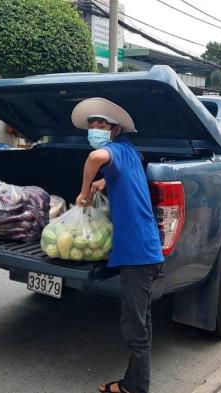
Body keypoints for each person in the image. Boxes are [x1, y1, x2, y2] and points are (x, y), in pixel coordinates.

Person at [71, 98, 164, 393]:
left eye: (101, 126)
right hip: (146, 249)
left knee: (134, 328)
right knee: (142, 322)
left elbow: (94, 159)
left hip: (138, 254)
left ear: (116, 129)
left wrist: (84, 192)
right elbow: (123, 174)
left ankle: (135, 388)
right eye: (92, 126)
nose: (95, 130)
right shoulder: (129, 152)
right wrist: (102, 184)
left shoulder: (113, 150)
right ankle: (133, 383)